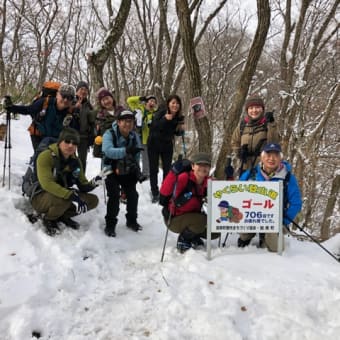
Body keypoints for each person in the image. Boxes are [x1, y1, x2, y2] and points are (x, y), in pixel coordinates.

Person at [31, 128, 99, 236]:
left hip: (60, 194)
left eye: (74, 143)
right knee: (65, 199)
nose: (71, 145)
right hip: (40, 196)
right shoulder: (45, 156)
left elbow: (82, 184)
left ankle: (62, 215)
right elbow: (47, 184)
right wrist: (71, 195)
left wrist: (94, 182)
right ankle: (49, 218)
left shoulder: (75, 161)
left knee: (92, 200)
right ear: (60, 142)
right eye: (67, 141)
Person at [238, 143, 302, 252]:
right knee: (244, 236)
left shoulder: (288, 178)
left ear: (280, 158)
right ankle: (247, 236)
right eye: (268, 155)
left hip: (274, 220)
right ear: (262, 157)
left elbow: (296, 203)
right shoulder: (250, 174)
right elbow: (237, 195)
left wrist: (283, 221)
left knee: (277, 248)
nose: (271, 158)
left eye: (276, 155)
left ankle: (265, 237)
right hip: (251, 217)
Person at [160, 152, 219, 253]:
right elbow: (165, 192)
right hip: (174, 218)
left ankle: (193, 236)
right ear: (193, 166)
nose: (203, 168)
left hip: (192, 217)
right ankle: (184, 239)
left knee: (216, 230)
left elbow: (224, 191)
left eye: (206, 165)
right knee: (201, 220)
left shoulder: (208, 182)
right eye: (199, 164)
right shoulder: (184, 178)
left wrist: (229, 177)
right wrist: (172, 173)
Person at [101, 110, 144, 237]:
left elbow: (136, 155)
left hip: (128, 169)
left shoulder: (134, 136)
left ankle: (131, 221)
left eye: (130, 121)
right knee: (114, 195)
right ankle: (110, 224)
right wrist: (125, 151)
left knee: (133, 195)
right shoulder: (109, 134)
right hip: (111, 169)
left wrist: (137, 171)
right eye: (125, 121)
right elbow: (108, 151)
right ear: (118, 122)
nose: (128, 124)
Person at [3, 84, 76, 151]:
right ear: (57, 95)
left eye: (69, 98)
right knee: (41, 157)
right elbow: (28, 110)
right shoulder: (45, 103)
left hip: (56, 139)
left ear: (72, 100)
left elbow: (74, 132)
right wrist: (12, 107)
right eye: (63, 96)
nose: (65, 100)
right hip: (38, 135)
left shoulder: (71, 113)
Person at [147, 94, 185, 203]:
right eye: (173, 103)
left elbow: (176, 132)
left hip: (167, 145)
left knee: (167, 170)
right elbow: (154, 126)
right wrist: (164, 119)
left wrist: (181, 129)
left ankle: (165, 191)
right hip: (154, 144)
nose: (175, 105)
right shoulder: (161, 112)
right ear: (168, 104)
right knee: (153, 169)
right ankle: (154, 192)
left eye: (177, 103)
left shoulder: (178, 117)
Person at [231, 95, 280, 177]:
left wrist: (271, 123)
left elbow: (274, 143)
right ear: (247, 110)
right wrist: (239, 152)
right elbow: (234, 142)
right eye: (251, 108)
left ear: (262, 109)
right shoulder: (242, 125)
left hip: (264, 168)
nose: (254, 110)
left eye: (257, 107)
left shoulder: (268, 124)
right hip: (245, 166)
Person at [67, 81, 95, 172]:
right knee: (69, 157)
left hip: (84, 137)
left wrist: (92, 135)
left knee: (82, 160)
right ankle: (69, 178)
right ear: (77, 90)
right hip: (71, 135)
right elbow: (64, 114)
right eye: (81, 89)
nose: (84, 91)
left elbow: (92, 121)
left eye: (86, 90)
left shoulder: (89, 105)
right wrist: (75, 107)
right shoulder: (70, 101)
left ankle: (81, 179)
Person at [126, 94, 158, 178]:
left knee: (146, 157)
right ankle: (135, 172)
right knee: (134, 155)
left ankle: (146, 173)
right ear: (146, 102)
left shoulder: (155, 113)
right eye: (151, 101)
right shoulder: (140, 108)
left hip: (148, 138)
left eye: (154, 102)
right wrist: (140, 98)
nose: (152, 103)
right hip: (135, 136)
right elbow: (129, 100)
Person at [93, 87, 124, 159]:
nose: (106, 101)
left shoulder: (122, 111)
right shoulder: (99, 116)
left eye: (107, 98)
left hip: (122, 148)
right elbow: (98, 134)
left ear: (112, 98)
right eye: (103, 100)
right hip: (107, 151)